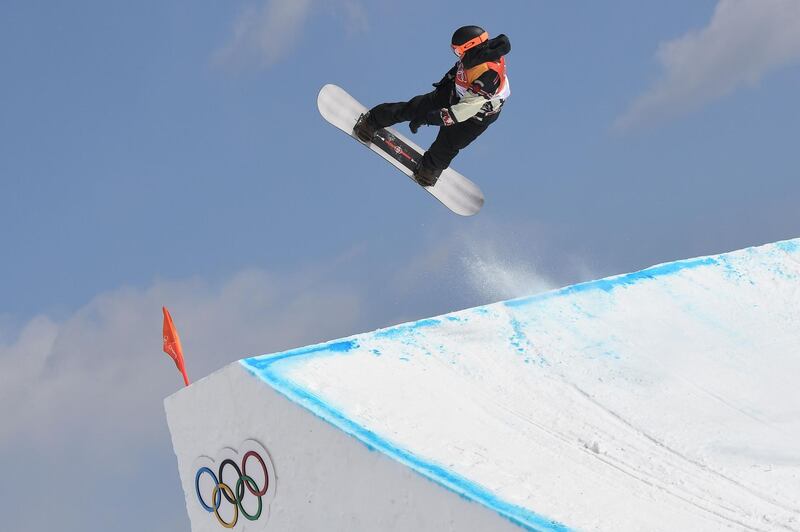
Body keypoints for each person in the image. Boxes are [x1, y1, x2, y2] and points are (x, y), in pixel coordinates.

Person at [353, 25, 511, 187]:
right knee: (415, 107)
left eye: (458, 51)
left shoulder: (489, 73)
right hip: (455, 93)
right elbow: (461, 68)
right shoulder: (476, 54)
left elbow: (466, 109)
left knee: (448, 143)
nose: (458, 55)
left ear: (470, 47)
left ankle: (428, 171)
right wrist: (445, 82)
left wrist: (431, 118)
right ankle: (372, 121)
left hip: (477, 115)